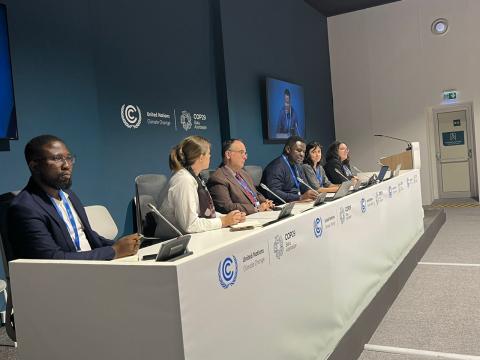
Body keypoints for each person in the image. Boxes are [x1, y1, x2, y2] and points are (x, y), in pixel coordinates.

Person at [8, 135, 140, 260]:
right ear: (35, 166)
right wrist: (114, 251)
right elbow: (53, 259)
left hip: (91, 268)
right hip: (65, 278)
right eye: (57, 159)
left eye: (69, 158)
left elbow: (88, 236)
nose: (67, 165)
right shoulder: (25, 208)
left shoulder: (69, 195)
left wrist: (127, 245)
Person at [157, 135, 245, 238]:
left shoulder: (195, 177)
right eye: (208, 153)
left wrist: (229, 217)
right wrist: (223, 221)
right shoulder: (184, 180)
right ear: (201, 157)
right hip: (172, 243)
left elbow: (205, 212)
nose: (210, 156)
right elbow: (190, 225)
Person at [207, 139, 274, 215]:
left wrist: (265, 202)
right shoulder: (218, 178)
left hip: (259, 215)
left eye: (245, 153)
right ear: (228, 154)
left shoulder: (244, 173)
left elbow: (255, 194)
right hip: (243, 220)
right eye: (241, 152)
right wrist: (256, 209)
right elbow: (226, 207)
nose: (245, 157)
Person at [260, 136, 318, 204]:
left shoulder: (298, 166)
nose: (302, 154)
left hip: (297, 203)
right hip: (282, 206)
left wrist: (311, 194)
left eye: (304, 152)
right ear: (288, 149)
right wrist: (299, 198)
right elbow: (273, 193)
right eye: (299, 150)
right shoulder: (276, 167)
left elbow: (304, 187)